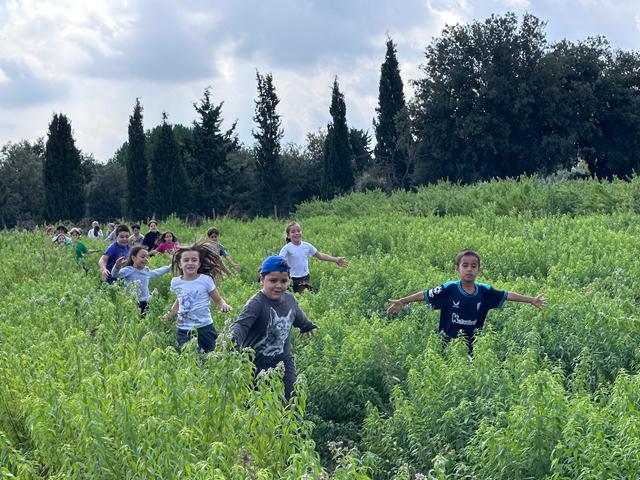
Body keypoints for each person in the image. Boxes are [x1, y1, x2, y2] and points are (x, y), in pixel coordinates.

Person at [387, 249, 547, 354]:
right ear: (457, 268)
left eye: (473, 266)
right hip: (447, 344)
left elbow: (506, 295)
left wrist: (531, 300)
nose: (469, 269)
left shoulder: (484, 291)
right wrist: (403, 301)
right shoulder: (449, 288)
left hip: (473, 346)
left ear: (479, 270)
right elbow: (424, 295)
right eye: (465, 265)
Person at [229, 255, 317, 400]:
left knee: (290, 398)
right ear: (262, 280)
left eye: (283, 281)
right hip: (254, 365)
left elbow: (297, 315)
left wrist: (306, 325)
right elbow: (241, 325)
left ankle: (287, 413)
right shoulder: (256, 303)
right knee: (253, 404)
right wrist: (232, 338)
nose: (279, 285)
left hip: (283, 361)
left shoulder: (289, 299)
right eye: (273, 280)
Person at [164, 242, 232, 353]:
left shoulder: (205, 280)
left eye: (194, 260)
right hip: (184, 329)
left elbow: (218, 300)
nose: (190, 263)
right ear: (180, 264)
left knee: (211, 355)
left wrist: (223, 305)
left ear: (199, 264)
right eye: (186, 260)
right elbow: (180, 300)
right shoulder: (176, 282)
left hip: (205, 328)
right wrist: (169, 315)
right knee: (188, 356)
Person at [278, 222, 348, 293]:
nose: (296, 233)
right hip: (290, 279)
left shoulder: (307, 246)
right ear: (288, 236)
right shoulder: (286, 248)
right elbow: (279, 260)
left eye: (298, 231)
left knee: (305, 297)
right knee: (289, 298)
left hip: (304, 279)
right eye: (293, 232)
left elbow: (320, 256)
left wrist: (336, 259)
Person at [111, 246, 171, 315]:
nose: (145, 259)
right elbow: (115, 275)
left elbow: (156, 272)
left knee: (144, 318)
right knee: (132, 318)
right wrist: (117, 266)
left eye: (147, 257)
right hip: (131, 301)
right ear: (133, 258)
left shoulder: (146, 270)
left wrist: (168, 268)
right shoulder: (128, 270)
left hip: (145, 301)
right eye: (142, 257)